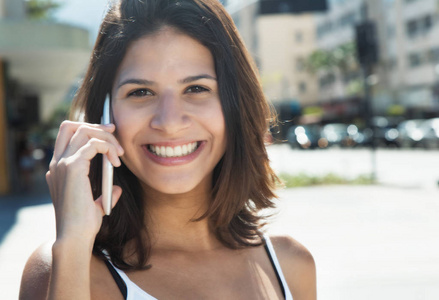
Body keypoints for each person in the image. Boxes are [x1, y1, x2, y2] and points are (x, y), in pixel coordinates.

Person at [19, 0, 316, 299]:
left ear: (236, 104)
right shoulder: (65, 267)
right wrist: (72, 245)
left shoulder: (291, 265)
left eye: (196, 88)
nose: (170, 122)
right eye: (141, 92)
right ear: (105, 115)